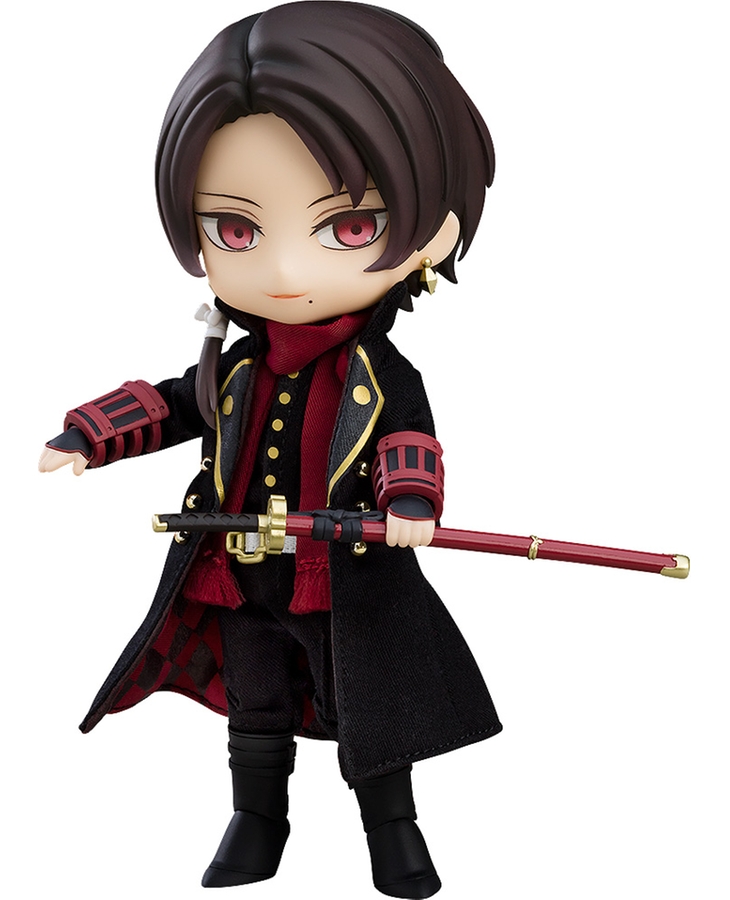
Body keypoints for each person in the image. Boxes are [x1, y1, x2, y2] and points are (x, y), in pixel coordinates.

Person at [39, 4, 501, 897]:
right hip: (239, 570)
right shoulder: (240, 365)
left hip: (341, 575)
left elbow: (408, 438)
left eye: (350, 227)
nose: (285, 271)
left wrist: (409, 503)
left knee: (369, 710)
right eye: (238, 231)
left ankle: (394, 834)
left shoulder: (377, 372)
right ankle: (257, 821)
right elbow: (180, 403)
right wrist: (90, 433)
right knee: (254, 707)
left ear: (434, 234)